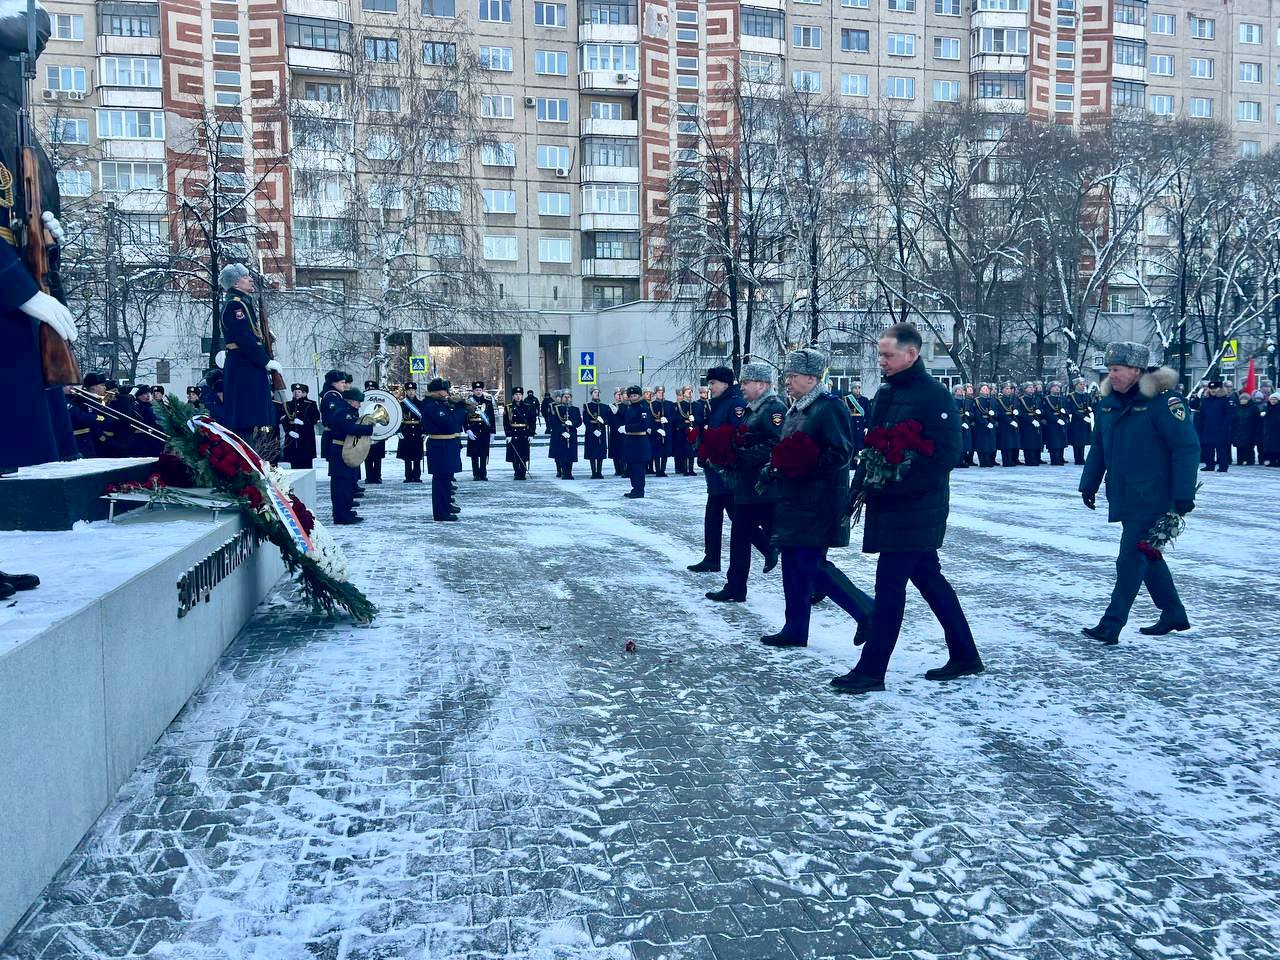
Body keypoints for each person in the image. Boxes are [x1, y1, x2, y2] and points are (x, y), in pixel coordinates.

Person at [833, 324, 981, 694]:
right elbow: (872, 446)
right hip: (892, 506)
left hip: (916, 507)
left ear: (911, 355)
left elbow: (946, 455)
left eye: (887, 355)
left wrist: (896, 482)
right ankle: (965, 655)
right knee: (931, 581)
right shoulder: (886, 392)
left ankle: (871, 670)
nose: (881, 361)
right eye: (880, 355)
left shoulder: (934, 396)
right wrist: (860, 486)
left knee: (889, 588)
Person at [1079, 342, 1199, 645]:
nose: (1112, 375)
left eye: (1117, 369)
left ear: (1135, 370)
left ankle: (1111, 623)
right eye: (1110, 370)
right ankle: (1173, 612)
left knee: (1130, 558)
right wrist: (1089, 483)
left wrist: (1184, 493)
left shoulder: (1164, 403)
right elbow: (1100, 447)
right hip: (1123, 493)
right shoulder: (1108, 404)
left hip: (1154, 495)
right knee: (1147, 554)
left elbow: (1186, 447)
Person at [0, 5, 76, 475]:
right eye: (14, 63)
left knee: (45, 467)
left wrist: (50, 249)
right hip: (12, 300)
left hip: (22, 310)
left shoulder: (20, 130)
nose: (23, 76)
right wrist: (24, 292)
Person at [756, 349, 871, 649]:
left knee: (810, 564)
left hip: (817, 502)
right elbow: (787, 450)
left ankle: (867, 610)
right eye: (787, 376)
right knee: (792, 565)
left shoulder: (828, 407)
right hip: (793, 499)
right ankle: (795, 628)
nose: (787, 382)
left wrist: (800, 466)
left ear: (810, 378)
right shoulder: (796, 408)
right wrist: (775, 468)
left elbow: (841, 453)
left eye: (792, 376)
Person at [706, 362, 785, 603]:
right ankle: (735, 586)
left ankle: (815, 582)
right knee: (739, 537)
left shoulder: (773, 408)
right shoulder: (753, 408)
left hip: (765, 487)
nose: (742, 387)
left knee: (782, 539)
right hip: (747, 485)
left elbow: (775, 444)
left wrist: (738, 455)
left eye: (747, 383)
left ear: (761, 385)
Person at [688, 367, 746, 573]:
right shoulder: (715, 404)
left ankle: (769, 548)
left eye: (713, 383)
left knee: (737, 517)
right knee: (714, 513)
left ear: (725, 384)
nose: (709, 387)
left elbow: (736, 435)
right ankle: (711, 557)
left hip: (727, 469)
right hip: (715, 468)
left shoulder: (735, 404)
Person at [217, 263, 282, 438]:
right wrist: (265, 360)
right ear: (236, 283)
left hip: (246, 364)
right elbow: (244, 339)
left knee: (251, 420)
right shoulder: (235, 306)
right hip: (243, 365)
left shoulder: (244, 303)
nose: (250, 279)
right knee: (244, 419)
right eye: (246, 277)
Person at [323, 387, 372, 525]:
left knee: (349, 483)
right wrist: (369, 429)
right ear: (351, 401)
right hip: (340, 451)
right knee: (341, 485)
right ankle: (341, 515)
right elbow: (351, 429)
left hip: (346, 449)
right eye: (358, 402)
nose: (359, 405)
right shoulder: (343, 412)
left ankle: (346, 511)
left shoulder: (348, 411)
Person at [423, 378, 466, 521]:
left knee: (447, 479)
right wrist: (461, 409)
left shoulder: (440, 404)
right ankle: (441, 513)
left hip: (447, 445)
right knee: (441, 481)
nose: (446, 393)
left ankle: (446, 505)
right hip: (440, 446)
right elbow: (450, 424)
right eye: (444, 390)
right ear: (437, 392)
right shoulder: (432, 406)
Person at [69, 372, 112, 458]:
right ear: (93, 387)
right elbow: (90, 419)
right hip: (89, 440)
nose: (105, 388)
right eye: (102, 385)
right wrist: (102, 437)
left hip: (93, 440)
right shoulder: (84, 399)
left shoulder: (97, 399)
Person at [619, 385, 651, 498]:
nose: (633, 397)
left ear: (639, 395)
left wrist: (627, 428)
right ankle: (635, 488)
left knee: (638, 469)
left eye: (635, 395)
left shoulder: (643, 407)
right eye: (631, 395)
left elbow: (643, 425)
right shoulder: (630, 407)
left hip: (640, 442)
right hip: (631, 442)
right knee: (632, 468)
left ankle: (639, 490)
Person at [278, 383, 320, 470]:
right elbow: (282, 419)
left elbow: (316, 418)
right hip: (292, 439)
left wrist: (304, 422)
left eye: (299, 392)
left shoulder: (310, 404)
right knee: (294, 463)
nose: (296, 393)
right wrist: (288, 431)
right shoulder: (288, 405)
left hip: (306, 438)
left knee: (307, 464)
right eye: (295, 391)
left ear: (303, 393)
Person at [1197, 381, 1233, 472]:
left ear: (1220, 388)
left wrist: (1225, 427)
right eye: (1211, 388)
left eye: (1215, 388)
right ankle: (1209, 465)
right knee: (1208, 448)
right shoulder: (1205, 400)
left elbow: (1229, 415)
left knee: (1221, 449)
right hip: (1207, 428)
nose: (1213, 390)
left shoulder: (1225, 400)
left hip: (1221, 429)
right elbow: (1201, 415)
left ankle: (1223, 466)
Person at [466, 381, 495, 480]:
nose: (478, 392)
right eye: (476, 390)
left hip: (484, 430)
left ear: (483, 390)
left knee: (483, 453)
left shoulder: (487, 402)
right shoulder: (468, 402)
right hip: (473, 429)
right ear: (473, 390)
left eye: (480, 390)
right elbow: (465, 418)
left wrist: (492, 432)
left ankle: (483, 473)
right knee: (474, 454)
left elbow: (491, 417)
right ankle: (476, 474)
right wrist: (467, 430)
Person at [397, 381, 425, 482]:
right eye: (409, 390)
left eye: (413, 390)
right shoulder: (401, 404)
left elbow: (425, 419)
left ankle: (417, 476)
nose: (411, 392)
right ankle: (408, 477)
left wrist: (424, 431)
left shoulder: (421, 404)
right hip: (406, 431)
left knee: (417, 456)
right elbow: (397, 418)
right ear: (406, 391)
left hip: (418, 431)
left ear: (415, 391)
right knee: (407, 456)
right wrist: (398, 431)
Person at [504, 387, 534, 480]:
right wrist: (508, 434)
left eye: (520, 395)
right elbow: (506, 423)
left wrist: (531, 434)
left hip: (524, 433)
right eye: (516, 395)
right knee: (514, 455)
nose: (518, 396)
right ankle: (517, 472)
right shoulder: (508, 407)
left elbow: (532, 421)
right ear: (513, 396)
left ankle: (523, 473)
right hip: (513, 433)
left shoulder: (528, 406)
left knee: (523, 454)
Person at [582, 387, 611, 479]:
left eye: (598, 392)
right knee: (592, 452)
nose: (597, 394)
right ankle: (593, 472)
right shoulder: (587, 406)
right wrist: (593, 430)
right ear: (591, 394)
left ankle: (599, 471)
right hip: (591, 432)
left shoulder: (604, 407)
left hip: (601, 431)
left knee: (600, 452)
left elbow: (608, 419)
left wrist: (603, 421)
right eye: (595, 392)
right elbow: (586, 420)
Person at [360, 380, 385, 483]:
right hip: (366, 432)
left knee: (378, 456)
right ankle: (369, 476)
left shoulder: (382, 399)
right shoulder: (362, 399)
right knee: (367, 455)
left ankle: (378, 476)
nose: (370, 390)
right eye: (368, 388)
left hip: (379, 429)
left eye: (372, 388)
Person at [1064, 378, 1093, 466]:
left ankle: (1082, 457)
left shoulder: (1087, 395)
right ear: (1076, 385)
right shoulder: (1071, 396)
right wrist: (1082, 417)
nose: (1083, 386)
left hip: (1086, 419)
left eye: (1084, 384)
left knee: (1083, 440)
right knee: (1077, 440)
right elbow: (1072, 409)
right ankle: (1077, 458)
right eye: (1081, 384)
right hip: (1076, 420)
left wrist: (1090, 409)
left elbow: (1090, 405)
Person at [647, 386, 675, 476]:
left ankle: (663, 470)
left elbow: (674, 416)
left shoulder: (669, 404)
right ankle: (658, 470)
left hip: (666, 429)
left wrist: (667, 419)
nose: (661, 394)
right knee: (657, 452)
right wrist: (657, 429)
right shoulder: (651, 405)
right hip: (656, 431)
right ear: (655, 394)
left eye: (662, 392)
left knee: (665, 451)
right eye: (659, 392)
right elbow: (649, 420)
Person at [673, 386, 698, 476]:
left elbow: (699, 416)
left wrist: (694, 420)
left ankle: (691, 469)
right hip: (683, 429)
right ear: (683, 393)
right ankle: (684, 469)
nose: (690, 393)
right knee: (685, 450)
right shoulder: (680, 405)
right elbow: (676, 418)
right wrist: (684, 423)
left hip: (692, 428)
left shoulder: (695, 404)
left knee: (691, 450)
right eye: (687, 391)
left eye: (691, 391)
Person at [1017, 382, 1043, 466]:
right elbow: (1022, 412)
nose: (1032, 389)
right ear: (1025, 389)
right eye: (1029, 387)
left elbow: (1042, 409)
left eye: (1032, 387)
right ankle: (1029, 460)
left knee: (1036, 441)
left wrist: (1040, 412)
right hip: (1026, 424)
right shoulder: (1021, 399)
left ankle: (1036, 458)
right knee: (1028, 442)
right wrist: (1031, 420)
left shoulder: (1037, 398)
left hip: (1037, 421)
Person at [972, 384, 998, 467]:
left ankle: (989, 460)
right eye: (984, 388)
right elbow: (977, 414)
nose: (986, 390)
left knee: (990, 444)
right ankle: (983, 461)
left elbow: (997, 412)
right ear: (980, 390)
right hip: (981, 425)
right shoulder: (977, 400)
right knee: (982, 444)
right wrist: (986, 423)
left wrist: (994, 414)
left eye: (987, 388)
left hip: (991, 423)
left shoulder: (992, 400)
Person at [1043, 382, 1069, 466]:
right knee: (1054, 441)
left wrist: (1065, 412)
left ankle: (1060, 457)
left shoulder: (1062, 398)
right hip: (1052, 423)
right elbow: (1047, 412)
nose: (1057, 388)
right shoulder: (1047, 399)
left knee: (1062, 441)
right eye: (1055, 387)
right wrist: (1056, 420)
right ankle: (1054, 459)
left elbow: (1068, 408)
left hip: (1062, 421)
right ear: (1050, 389)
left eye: (1058, 387)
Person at [1232, 390, 1260, 465]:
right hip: (1238, 430)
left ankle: (1250, 460)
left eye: (1245, 399)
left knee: (1249, 447)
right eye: (1241, 399)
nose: (1243, 400)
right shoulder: (1237, 408)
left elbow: (1257, 421)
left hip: (1250, 431)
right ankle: (1240, 460)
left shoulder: (1254, 408)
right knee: (1239, 447)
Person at [996, 383, 1020, 467]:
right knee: (1006, 444)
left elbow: (1018, 408)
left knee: (1013, 443)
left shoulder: (1013, 399)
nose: (1008, 390)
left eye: (1009, 389)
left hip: (1014, 422)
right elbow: (1001, 413)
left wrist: (1017, 412)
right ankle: (1006, 461)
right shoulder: (999, 400)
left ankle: (1012, 459)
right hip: (1004, 424)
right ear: (1002, 390)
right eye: (1006, 388)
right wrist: (1010, 421)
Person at [953, 385, 973, 468]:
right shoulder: (953, 401)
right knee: (958, 444)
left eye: (962, 389)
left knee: (964, 444)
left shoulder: (965, 401)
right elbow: (954, 414)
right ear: (955, 391)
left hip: (966, 424)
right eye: (959, 390)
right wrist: (961, 422)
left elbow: (970, 412)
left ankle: (963, 460)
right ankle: (957, 461)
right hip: (957, 425)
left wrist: (969, 416)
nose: (961, 391)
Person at [844, 384, 867, 456]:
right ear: (851, 389)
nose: (857, 389)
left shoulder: (865, 400)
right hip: (851, 424)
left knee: (860, 444)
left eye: (859, 388)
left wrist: (866, 426)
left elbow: (868, 413)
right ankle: (851, 464)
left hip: (861, 424)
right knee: (852, 444)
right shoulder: (847, 399)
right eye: (855, 388)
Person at [609, 388, 627, 476]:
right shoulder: (611, 406)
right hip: (613, 431)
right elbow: (608, 419)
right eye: (617, 394)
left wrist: (618, 411)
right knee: (615, 450)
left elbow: (625, 416)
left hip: (623, 431)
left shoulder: (625, 406)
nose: (619, 396)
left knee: (623, 451)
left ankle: (624, 469)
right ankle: (617, 469)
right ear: (614, 396)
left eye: (621, 394)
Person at [1261, 393, 1280, 467]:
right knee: (1269, 447)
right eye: (1271, 399)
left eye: (1275, 399)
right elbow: (1262, 416)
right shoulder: (1266, 407)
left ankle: (1277, 461)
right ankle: (1271, 461)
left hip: (1277, 430)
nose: (1273, 400)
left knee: (1277, 446)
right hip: (1268, 430)